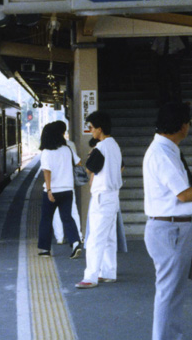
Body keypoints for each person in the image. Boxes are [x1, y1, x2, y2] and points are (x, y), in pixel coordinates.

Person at [143, 102, 192, 340]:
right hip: (171, 229)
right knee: (169, 292)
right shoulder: (162, 154)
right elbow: (184, 194)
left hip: (171, 227)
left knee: (172, 291)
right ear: (181, 125)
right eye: (189, 122)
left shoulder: (165, 149)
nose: (189, 127)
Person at [75, 111, 123, 289]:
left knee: (95, 237)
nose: (90, 131)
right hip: (113, 196)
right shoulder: (115, 146)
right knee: (109, 237)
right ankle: (108, 272)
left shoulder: (100, 148)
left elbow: (86, 172)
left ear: (100, 129)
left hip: (102, 197)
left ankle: (91, 276)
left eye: (92, 128)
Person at [38, 123, 82, 259]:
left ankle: (45, 249)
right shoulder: (67, 149)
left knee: (46, 219)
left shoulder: (46, 152)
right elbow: (79, 163)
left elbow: (47, 172)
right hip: (67, 190)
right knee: (67, 218)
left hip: (52, 191)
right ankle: (75, 243)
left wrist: (49, 190)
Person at [51, 121, 83, 245]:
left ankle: (59, 237)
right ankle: (78, 236)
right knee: (72, 210)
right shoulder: (70, 145)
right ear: (64, 132)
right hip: (68, 184)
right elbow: (78, 163)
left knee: (56, 212)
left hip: (54, 185)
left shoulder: (50, 147)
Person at [151, 36, 185, 105]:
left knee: (175, 80)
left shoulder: (175, 38)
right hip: (162, 59)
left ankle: (176, 99)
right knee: (163, 80)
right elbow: (153, 49)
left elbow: (182, 49)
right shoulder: (159, 38)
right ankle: (164, 99)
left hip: (172, 58)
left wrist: (177, 59)